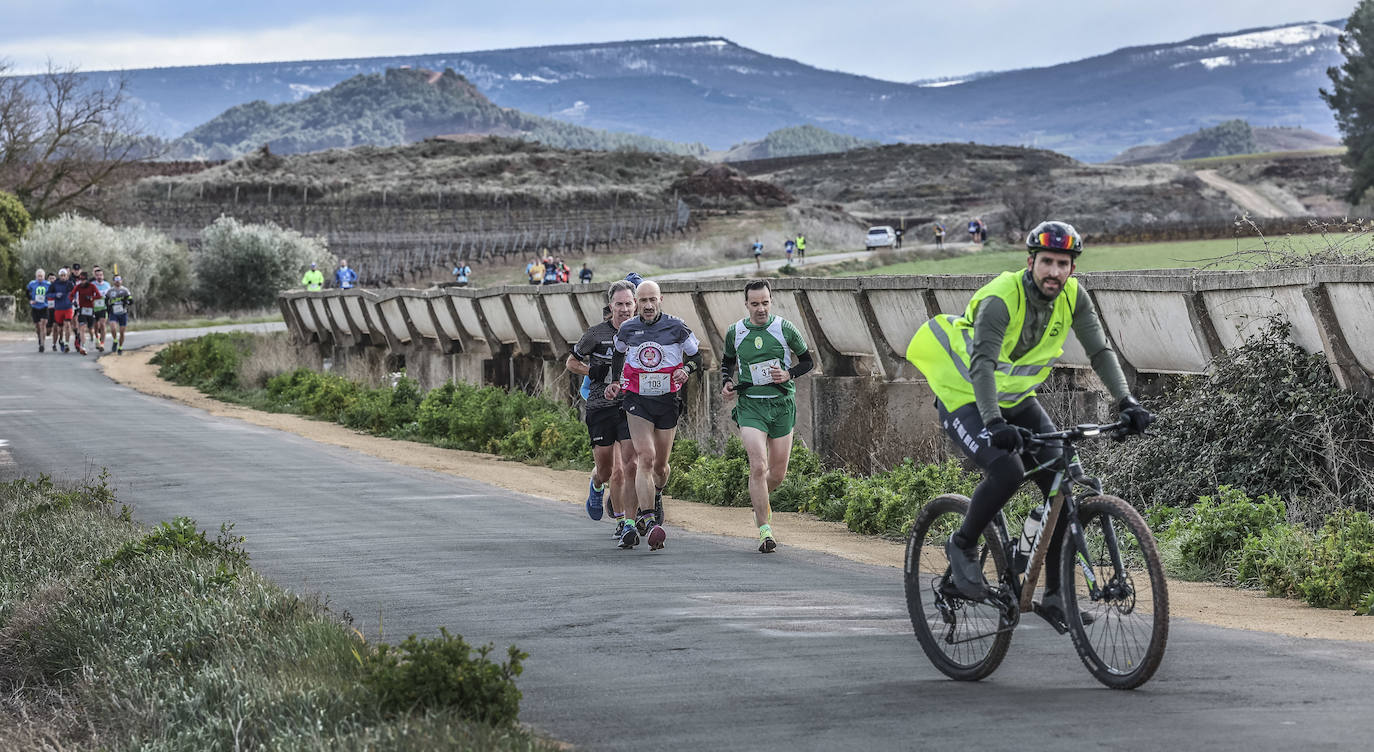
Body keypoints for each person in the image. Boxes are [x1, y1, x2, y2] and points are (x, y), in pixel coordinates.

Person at [904, 220, 1154, 629]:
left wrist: (1126, 400)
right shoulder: (1003, 299)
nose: (1055, 271)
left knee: (1064, 484)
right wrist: (993, 422)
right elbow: (982, 365)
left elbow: (1100, 351)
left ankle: (1056, 596)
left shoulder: (1074, 297)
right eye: (1047, 262)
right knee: (1008, 470)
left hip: (1015, 397)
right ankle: (962, 544)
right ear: (1030, 262)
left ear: (1073, 268)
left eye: (1063, 263)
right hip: (965, 393)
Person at [605, 280, 701, 551]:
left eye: (652, 300)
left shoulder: (677, 327)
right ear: (637, 302)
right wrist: (616, 381)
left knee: (660, 466)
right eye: (642, 300)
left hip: (667, 402)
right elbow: (618, 355)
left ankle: (656, 494)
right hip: (637, 401)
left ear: (661, 300)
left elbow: (697, 358)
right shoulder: (628, 329)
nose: (647, 306)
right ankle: (642, 520)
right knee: (643, 458)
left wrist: (687, 370)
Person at [719, 279, 814, 553]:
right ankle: (765, 530)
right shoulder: (735, 331)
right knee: (758, 467)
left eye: (765, 303)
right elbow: (727, 361)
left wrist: (788, 374)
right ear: (746, 304)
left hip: (782, 404)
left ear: (771, 301)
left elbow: (808, 361)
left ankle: (759, 503)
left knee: (777, 474)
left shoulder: (784, 328)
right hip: (751, 406)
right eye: (755, 304)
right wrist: (727, 382)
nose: (760, 308)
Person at [568, 280, 641, 544]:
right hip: (600, 407)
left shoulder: (641, 333)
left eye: (628, 304)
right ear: (610, 307)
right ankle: (597, 485)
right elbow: (571, 361)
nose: (624, 309)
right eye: (619, 304)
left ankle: (624, 522)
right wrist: (591, 371)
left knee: (627, 467)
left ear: (635, 305)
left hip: (630, 406)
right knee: (607, 470)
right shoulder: (596, 334)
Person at [46, 268, 77, 354]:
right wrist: (55, 295)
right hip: (58, 308)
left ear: (67, 276)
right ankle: (61, 340)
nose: (63, 277)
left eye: (65, 275)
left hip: (68, 307)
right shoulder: (55, 284)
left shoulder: (70, 284)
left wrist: (73, 300)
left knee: (67, 325)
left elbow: (75, 292)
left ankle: (67, 344)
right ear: (59, 276)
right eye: (61, 276)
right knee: (59, 328)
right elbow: (48, 294)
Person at [72, 272, 103, 356]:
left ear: (86, 280)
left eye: (83, 280)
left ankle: (93, 338)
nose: (82, 282)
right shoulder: (78, 286)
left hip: (90, 309)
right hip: (82, 309)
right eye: (81, 280)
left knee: (90, 329)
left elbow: (99, 296)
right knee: (82, 328)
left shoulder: (92, 286)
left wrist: (92, 298)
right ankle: (83, 346)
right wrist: (73, 301)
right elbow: (71, 294)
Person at [105, 275, 133, 354]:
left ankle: (120, 348)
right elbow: (106, 300)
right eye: (116, 280)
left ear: (121, 281)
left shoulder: (125, 290)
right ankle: (115, 340)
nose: (118, 282)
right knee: (113, 328)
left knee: (122, 332)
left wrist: (126, 302)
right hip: (114, 312)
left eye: (119, 280)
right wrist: (108, 308)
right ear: (113, 281)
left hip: (123, 313)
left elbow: (131, 301)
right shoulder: (110, 291)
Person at [25, 269, 50, 352]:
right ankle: (39, 338)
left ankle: (42, 344)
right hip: (35, 307)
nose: (40, 278)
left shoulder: (48, 284)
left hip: (44, 307)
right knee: (37, 326)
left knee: (43, 325)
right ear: (36, 276)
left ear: (44, 276)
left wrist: (49, 298)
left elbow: (51, 293)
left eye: (41, 276)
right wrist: (30, 300)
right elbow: (27, 292)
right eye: (38, 276)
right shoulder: (32, 283)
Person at [91, 266, 111, 351]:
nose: (99, 276)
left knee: (102, 324)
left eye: (101, 275)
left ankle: (102, 344)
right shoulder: (92, 285)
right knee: (96, 326)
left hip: (104, 307)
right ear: (95, 276)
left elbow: (110, 296)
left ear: (103, 276)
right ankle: (97, 339)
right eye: (97, 275)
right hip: (94, 308)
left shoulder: (107, 285)